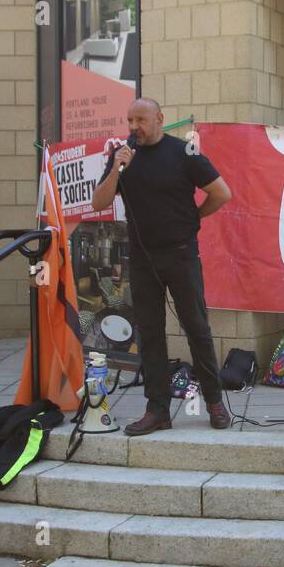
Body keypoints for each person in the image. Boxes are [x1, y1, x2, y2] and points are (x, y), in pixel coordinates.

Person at [90, 97, 233, 434]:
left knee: (196, 327)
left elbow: (221, 192)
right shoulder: (122, 155)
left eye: (140, 119)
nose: (134, 127)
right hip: (142, 258)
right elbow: (99, 201)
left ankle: (214, 401)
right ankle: (158, 409)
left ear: (159, 119)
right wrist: (116, 168)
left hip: (181, 255)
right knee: (151, 333)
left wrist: (192, 220)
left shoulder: (184, 153)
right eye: (129, 120)